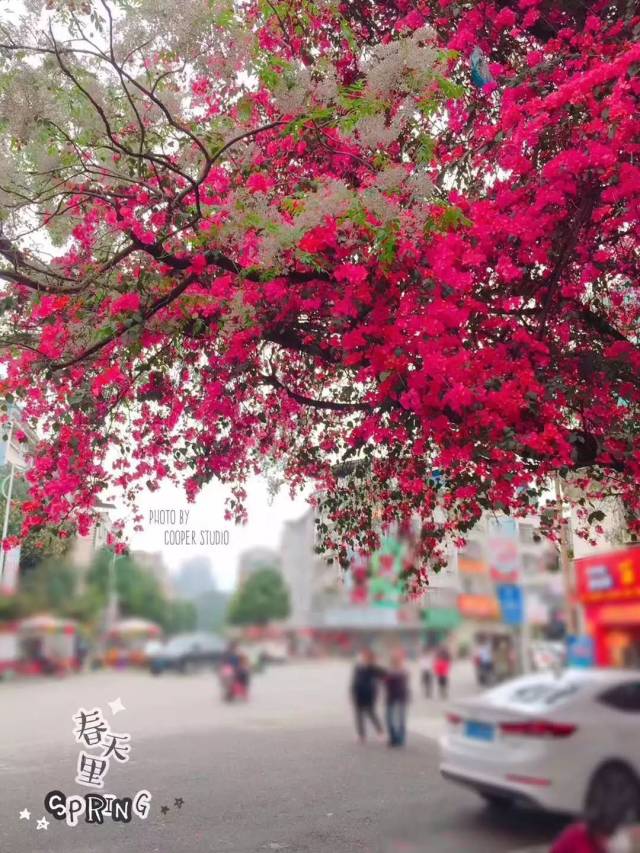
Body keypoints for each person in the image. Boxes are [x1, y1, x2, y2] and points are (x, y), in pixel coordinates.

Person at [350, 648, 385, 743]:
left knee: (371, 713)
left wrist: (373, 665)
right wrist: (352, 693)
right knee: (358, 715)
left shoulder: (373, 668)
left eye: (367, 657)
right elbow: (354, 681)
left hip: (369, 694)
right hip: (358, 694)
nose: (364, 658)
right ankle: (361, 735)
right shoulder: (358, 667)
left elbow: (384, 675)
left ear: (370, 658)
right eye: (363, 656)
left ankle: (380, 732)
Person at [384, 649, 409, 747]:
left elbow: (402, 683)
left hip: (401, 697)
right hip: (391, 697)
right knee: (389, 719)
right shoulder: (389, 670)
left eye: (397, 658)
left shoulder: (403, 670)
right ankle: (393, 738)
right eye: (394, 658)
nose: (396, 660)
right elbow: (385, 682)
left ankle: (400, 740)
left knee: (401, 719)